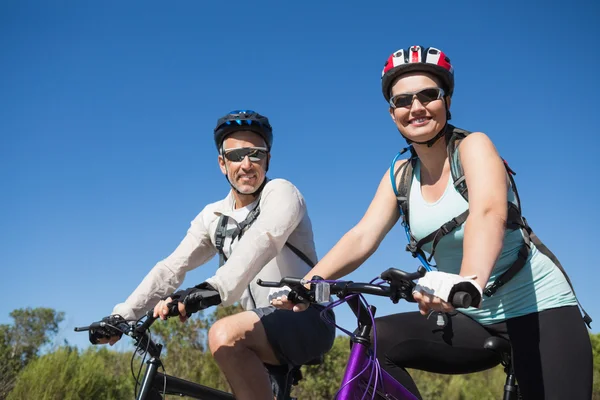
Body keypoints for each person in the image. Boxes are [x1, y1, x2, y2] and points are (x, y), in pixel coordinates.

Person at [272, 46, 592, 399]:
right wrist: (305, 283)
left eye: (428, 95)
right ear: (392, 112)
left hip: (539, 311)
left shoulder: (472, 147)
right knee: (376, 342)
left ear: (447, 99)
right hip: (472, 317)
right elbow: (363, 236)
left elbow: (488, 213)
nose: (416, 107)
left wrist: (466, 280)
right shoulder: (400, 174)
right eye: (403, 101)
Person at [90, 110, 335, 400]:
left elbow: (262, 240)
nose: (246, 164)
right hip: (260, 326)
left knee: (223, 335)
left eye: (255, 154)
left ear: (268, 159)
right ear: (222, 163)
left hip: (306, 317)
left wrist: (209, 291)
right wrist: (122, 315)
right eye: (236, 155)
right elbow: (172, 268)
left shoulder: (282, 193)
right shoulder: (214, 216)